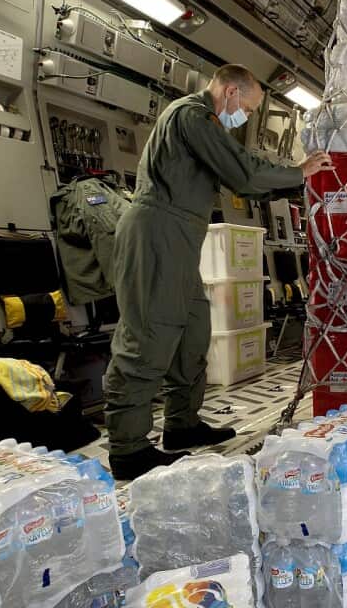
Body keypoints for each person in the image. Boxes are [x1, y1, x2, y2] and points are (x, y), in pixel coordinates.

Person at [104, 64, 333, 479]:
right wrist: (298, 172)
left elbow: (242, 178)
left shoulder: (201, 124)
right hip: (157, 231)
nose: (243, 117)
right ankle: (127, 448)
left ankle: (182, 424)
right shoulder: (193, 116)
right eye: (246, 107)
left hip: (180, 235)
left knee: (193, 330)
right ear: (229, 92)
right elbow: (242, 171)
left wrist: (295, 180)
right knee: (149, 334)